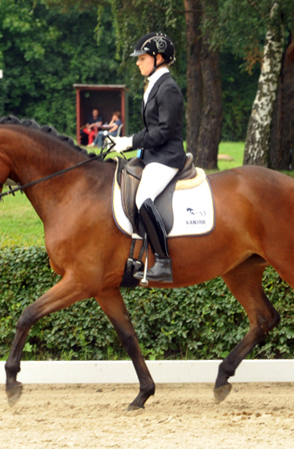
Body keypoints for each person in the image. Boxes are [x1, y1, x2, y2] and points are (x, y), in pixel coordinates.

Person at [111, 32, 186, 283]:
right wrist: (127, 141)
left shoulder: (169, 88)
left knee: (143, 197)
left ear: (159, 58)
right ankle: (136, 256)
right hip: (152, 154)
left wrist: (130, 141)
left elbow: (163, 131)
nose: (137, 62)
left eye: (142, 58)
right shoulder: (153, 85)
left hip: (167, 156)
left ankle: (163, 262)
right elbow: (151, 128)